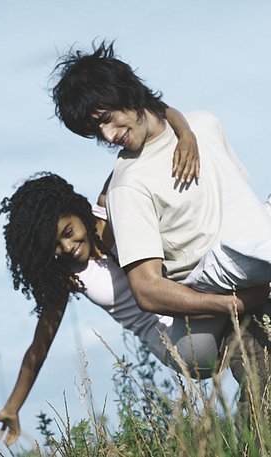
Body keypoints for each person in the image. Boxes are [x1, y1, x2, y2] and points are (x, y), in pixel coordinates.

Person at [50, 40, 271, 425]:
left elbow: (240, 200)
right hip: (241, 302)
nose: (106, 134)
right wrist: (232, 305)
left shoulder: (202, 124)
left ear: (126, 94)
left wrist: (182, 129)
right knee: (264, 410)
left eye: (105, 117)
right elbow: (147, 289)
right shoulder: (127, 186)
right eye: (94, 129)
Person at [0, 172, 270, 446]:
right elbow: (38, 349)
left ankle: (255, 433)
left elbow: (133, 156)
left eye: (68, 233)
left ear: (77, 210)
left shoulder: (112, 211)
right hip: (181, 344)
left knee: (253, 347)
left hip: (202, 312)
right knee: (241, 277)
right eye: (55, 246)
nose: (68, 247)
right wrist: (12, 407)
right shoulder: (68, 276)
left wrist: (183, 131)